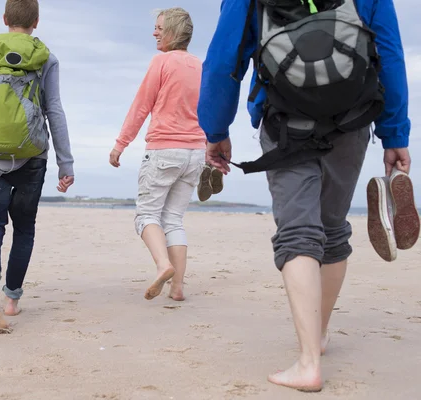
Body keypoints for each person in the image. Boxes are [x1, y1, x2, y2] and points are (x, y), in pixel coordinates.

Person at [198, 0, 411, 392]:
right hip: (352, 119)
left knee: (298, 232)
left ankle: (308, 361)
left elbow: (223, 61)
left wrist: (215, 130)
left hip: (284, 120)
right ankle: (321, 331)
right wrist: (395, 135)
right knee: (331, 228)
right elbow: (390, 53)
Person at [0, 0, 75, 334]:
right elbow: (54, 110)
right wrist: (65, 163)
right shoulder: (46, 59)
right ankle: (11, 299)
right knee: (24, 228)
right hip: (33, 158)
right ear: (36, 22)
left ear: (5, 19)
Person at [109, 7, 206, 302]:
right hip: (196, 152)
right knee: (174, 219)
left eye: (160, 28)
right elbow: (211, 111)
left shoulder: (161, 62)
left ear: (174, 33)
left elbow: (141, 106)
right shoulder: (202, 66)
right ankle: (177, 288)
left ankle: (163, 265)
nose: (154, 32)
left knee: (147, 215)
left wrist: (120, 144)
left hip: (165, 150)